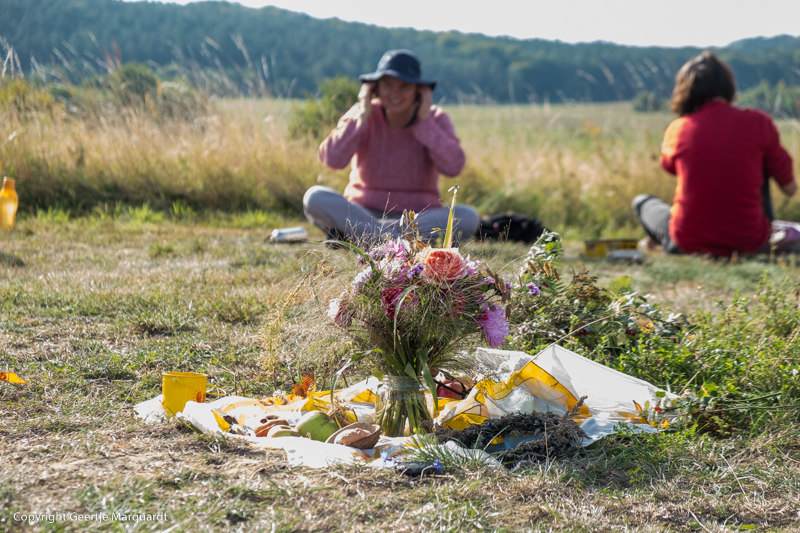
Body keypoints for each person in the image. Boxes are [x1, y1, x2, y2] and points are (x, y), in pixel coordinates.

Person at [303, 49, 480, 244]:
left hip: (416, 219)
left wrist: (425, 124)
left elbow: (454, 166)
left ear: (419, 92)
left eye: (404, 86)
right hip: (363, 213)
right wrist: (361, 119)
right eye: (388, 85)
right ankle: (398, 242)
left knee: (468, 217)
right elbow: (332, 159)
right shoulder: (363, 114)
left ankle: (373, 238)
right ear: (375, 88)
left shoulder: (435, 119)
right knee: (314, 197)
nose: (395, 93)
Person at [632, 51, 797, 256]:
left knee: (642, 202)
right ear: (728, 86)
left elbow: (670, 168)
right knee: (760, 160)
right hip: (751, 243)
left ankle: (660, 242)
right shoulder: (759, 122)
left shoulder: (679, 128)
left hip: (687, 244)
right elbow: (790, 189)